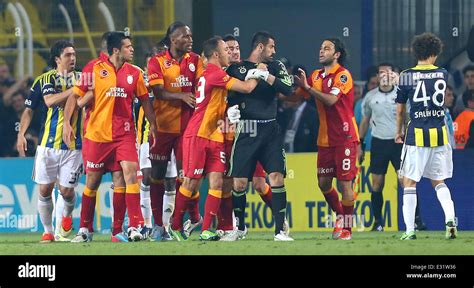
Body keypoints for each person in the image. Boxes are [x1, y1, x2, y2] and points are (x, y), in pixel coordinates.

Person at [63, 31, 157, 243]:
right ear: (116, 50)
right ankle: (85, 229)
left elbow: (145, 101)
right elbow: (75, 96)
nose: (132, 49)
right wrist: (67, 122)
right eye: (127, 46)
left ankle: (129, 227)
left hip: (124, 134)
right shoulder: (92, 69)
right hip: (97, 135)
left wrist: (154, 125)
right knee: (93, 182)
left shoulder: (135, 72)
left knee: (127, 175)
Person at [170, 36, 261, 241]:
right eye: (225, 50)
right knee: (191, 182)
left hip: (216, 135)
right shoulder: (214, 73)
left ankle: (205, 229)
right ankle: (175, 225)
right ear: (216, 54)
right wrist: (259, 72)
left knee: (217, 182)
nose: (229, 53)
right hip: (199, 134)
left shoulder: (212, 73)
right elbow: (247, 88)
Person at [225, 31, 294, 241]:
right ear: (261, 47)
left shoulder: (275, 66)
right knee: (238, 183)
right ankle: (240, 228)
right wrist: (230, 110)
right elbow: (229, 94)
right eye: (272, 47)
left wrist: (266, 76)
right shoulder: (236, 68)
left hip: (270, 129)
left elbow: (288, 89)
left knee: (276, 178)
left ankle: (280, 231)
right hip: (246, 129)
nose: (274, 51)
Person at [294, 37, 359, 240]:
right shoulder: (315, 75)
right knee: (323, 183)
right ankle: (341, 215)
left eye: (327, 48)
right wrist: (272, 87)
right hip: (325, 139)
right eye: (321, 47)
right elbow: (297, 95)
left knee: (344, 184)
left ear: (337, 54)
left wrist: (308, 88)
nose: (321, 51)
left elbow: (331, 100)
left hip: (345, 137)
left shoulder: (343, 76)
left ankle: (346, 230)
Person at [17, 40, 82, 242]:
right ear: (57, 59)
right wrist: (21, 134)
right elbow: (35, 107)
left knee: (67, 191)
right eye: (67, 55)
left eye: (74, 54)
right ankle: (48, 231)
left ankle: (67, 217)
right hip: (48, 145)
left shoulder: (82, 78)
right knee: (45, 190)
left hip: (74, 145)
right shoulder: (44, 79)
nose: (72, 58)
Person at [395, 32, 457, 240]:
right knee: (438, 181)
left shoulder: (406, 75)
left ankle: (410, 230)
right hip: (440, 134)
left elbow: (400, 110)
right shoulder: (442, 73)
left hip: (417, 135)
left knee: (409, 182)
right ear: (434, 52)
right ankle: (450, 219)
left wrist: (398, 131)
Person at [147, 22, 204, 239]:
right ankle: (158, 224)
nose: (190, 39)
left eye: (190, 36)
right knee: (157, 175)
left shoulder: (196, 60)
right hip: (162, 128)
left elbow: (201, 85)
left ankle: (190, 218)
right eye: (185, 36)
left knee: (186, 175)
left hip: (187, 129)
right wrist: (181, 95)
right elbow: (158, 92)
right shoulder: (157, 62)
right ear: (173, 39)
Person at [359, 63, 406, 231]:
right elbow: (365, 121)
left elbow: (407, 117)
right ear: (377, 77)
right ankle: (378, 222)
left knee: (405, 182)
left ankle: (415, 221)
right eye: (381, 73)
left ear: (393, 75)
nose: (384, 75)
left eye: (388, 72)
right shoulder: (370, 97)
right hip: (379, 144)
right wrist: (360, 144)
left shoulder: (402, 94)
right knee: (377, 184)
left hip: (398, 143)